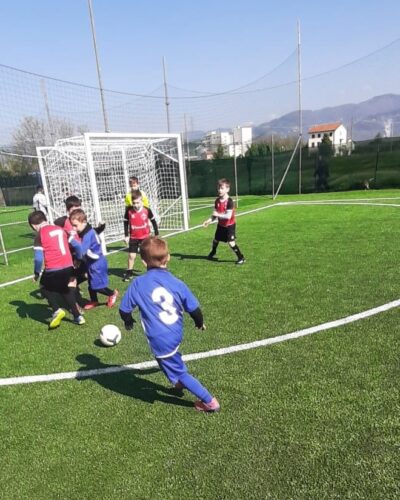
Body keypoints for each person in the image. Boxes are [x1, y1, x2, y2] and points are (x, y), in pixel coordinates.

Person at [119, 236, 220, 413]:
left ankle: (209, 401)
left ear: (143, 262)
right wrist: (199, 323)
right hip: (175, 332)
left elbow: (124, 310)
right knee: (169, 360)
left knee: (177, 369)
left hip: (160, 338)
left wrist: (128, 321)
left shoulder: (137, 284)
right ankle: (178, 383)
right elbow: (194, 309)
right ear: (169, 257)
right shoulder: (176, 283)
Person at [28, 210, 85, 328]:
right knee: (65, 289)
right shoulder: (60, 229)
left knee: (43, 287)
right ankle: (78, 317)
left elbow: (38, 259)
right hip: (68, 266)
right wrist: (78, 259)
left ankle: (56, 310)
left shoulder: (40, 235)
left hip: (54, 268)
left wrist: (36, 273)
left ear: (33, 225)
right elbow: (78, 245)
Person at [69, 209, 118, 310]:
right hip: (91, 262)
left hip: (97, 263)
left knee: (97, 286)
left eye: (75, 225)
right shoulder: (88, 230)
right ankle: (94, 300)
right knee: (91, 284)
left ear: (84, 222)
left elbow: (81, 251)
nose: (74, 228)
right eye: (72, 225)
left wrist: (71, 239)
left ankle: (112, 293)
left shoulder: (87, 234)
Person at [203, 178, 245, 265]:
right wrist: (208, 221)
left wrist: (217, 215)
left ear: (227, 189)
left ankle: (241, 257)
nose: (219, 190)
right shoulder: (217, 201)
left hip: (229, 225)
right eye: (218, 188)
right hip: (221, 225)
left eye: (222, 188)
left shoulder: (229, 201)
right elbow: (214, 215)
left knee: (231, 243)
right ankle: (213, 252)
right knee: (215, 240)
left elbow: (228, 216)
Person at [123, 190, 159, 281]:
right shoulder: (129, 211)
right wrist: (126, 235)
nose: (136, 205)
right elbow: (126, 223)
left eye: (138, 202)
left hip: (145, 237)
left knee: (145, 257)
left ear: (142, 201)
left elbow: (153, 221)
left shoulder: (147, 210)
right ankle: (129, 272)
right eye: (134, 203)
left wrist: (156, 233)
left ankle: (152, 272)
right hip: (134, 237)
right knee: (131, 256)